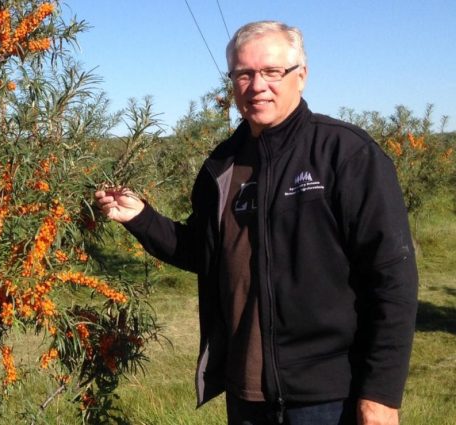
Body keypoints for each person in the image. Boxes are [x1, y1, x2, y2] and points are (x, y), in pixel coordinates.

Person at [95, 21, 418, 425]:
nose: (256, 85)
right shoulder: (222, 165)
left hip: (330, 396)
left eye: (270, 72)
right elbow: (205, 251)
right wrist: (141, 217)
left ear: (301, 75)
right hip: (246, 393)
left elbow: (392, 276)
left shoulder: (345, 154)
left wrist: (381, 394)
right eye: (244, 74)